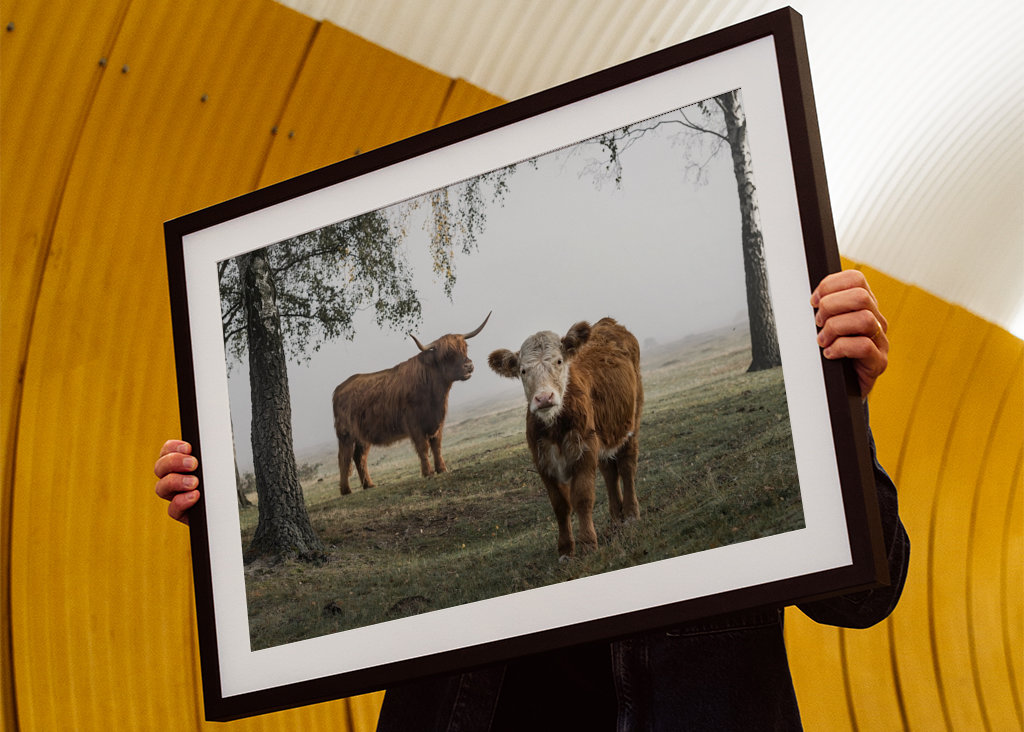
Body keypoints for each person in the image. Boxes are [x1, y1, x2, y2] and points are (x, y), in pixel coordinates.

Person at [155, 270, 909, 730]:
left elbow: (865, 597)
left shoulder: (608, 388)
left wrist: (841, 407)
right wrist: (227, 529)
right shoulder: (514, 420)